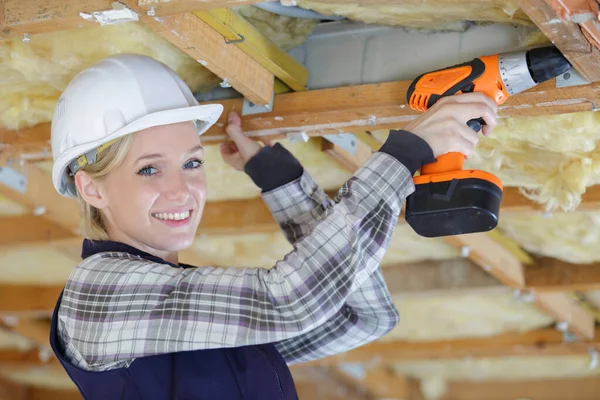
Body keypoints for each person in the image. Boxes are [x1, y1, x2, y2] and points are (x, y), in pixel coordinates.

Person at [48, 54, 497, 399]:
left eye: (191, 162)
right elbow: (290, 301)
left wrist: (281, 182)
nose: (182, 190)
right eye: (149, 170)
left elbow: (361, 315)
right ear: (92, 189)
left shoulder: (196, 318)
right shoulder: (98, 296)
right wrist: (407, 152)